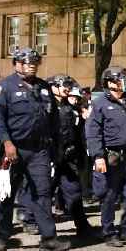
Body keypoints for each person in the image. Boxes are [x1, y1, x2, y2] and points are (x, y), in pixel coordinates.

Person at [0, 47, 72, 251]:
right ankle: (1, 238)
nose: (31, 65)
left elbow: (52, 119)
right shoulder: (3, 88)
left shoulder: (43, 87)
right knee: (5, 195)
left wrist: (56, 146)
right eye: (26, 62)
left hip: (39, 150)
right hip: (13, 149)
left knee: (42, 193)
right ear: (16, 63)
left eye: (34, 62)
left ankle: (49, 239)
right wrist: (7, 144)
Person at [84, 66, 126, 246]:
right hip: (110, 157)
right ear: (110, 83)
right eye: (120, 79)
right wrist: (98, 156)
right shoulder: (100, 103)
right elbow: (93, 132)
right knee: (109, 196)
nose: (125, 82)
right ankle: (109, 232)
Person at [49, 74, 95, 240]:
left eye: (69, 85)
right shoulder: (45, 105)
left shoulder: (67, 107)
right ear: (53, 86)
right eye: (64, 85)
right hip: (49, 157)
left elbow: (73, 133)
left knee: (74, 192)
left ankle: (82, 227)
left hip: (67, 158)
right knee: (43, 193)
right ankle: (39, 226)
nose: (67, 88)